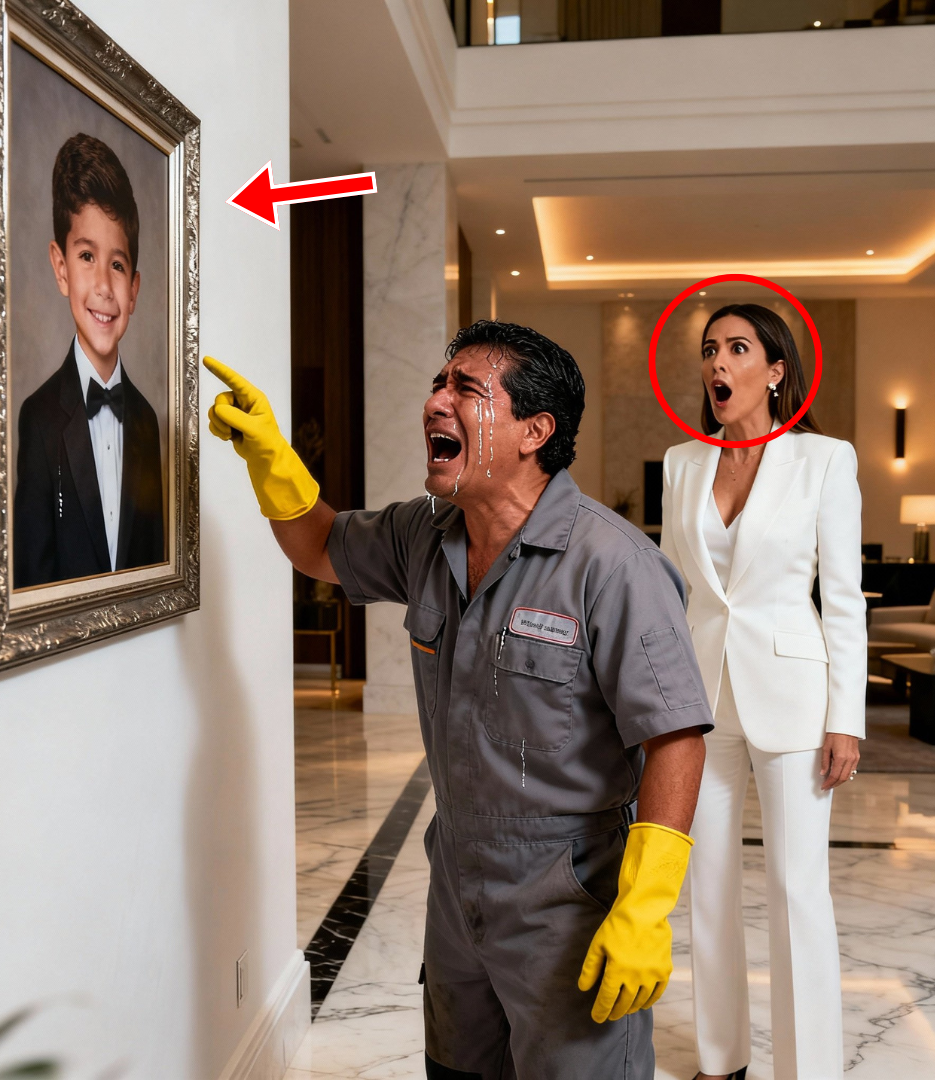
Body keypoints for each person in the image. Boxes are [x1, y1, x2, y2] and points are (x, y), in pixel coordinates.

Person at [204, 320, 714, 1079]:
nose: (435, 402)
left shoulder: (612, 565)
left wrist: (645, 908)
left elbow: (675, 735)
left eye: (466, 390)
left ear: (534, 431)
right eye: (438, 385)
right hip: (457, 880)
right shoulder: (426, 533)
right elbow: (321, 546)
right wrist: (272, 460)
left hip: (567, 892)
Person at [659, 304, 866, 1080]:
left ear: (776, 371)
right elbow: (673, 592)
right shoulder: (682, 463)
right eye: (710, 348)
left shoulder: (824, 460)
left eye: (738, 348)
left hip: (794, 697)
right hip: (699, 701)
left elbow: (842, 599)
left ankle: (807, 1068)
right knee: (705, 886)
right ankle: (721, 1060)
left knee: (795, 888)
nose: (718, 361)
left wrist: (847, 718)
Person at [14, 133, 164, 588]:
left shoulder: (146, 420)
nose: (103, 285)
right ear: (61, 268)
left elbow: (153, 560)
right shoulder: (39, 418)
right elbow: (32, 575)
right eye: (86, 256)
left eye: (117, 265)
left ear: (134, 289)